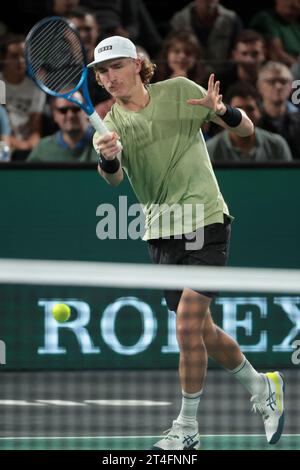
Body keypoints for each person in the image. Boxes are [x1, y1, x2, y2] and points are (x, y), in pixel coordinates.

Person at [90, 35, 285, 450]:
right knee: (203, 330)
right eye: (102, 72)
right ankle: (261, 385)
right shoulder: (107, 125)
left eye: (116, 67)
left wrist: (223, 111)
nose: (109, 78)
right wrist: (108, 155)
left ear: (138, 64)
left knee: (185, 326)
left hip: (206, 219)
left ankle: (188, 427)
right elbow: (113, 179)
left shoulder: (180, 90)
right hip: (160, 232)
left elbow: (247, 129)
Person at [207, 82, 293, 162]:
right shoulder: (210, 149)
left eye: (250, 109)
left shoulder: (277, 145)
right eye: (237, 110)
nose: (244, 114)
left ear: (260, 112)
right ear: (226, 113)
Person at [0, 34, 46, 160]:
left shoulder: (36, 89)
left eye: (24, 56)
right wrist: (12, 142)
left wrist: (31, 143)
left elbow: (36, 129)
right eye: (14, 56)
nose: (21, 61)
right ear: (3, 58)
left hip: (25, 145)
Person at [169, 0, 243, 74]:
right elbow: (169, 50)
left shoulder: (231, 19)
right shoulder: (180, 19)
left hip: (222, 74)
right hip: (189, 73)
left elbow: (237, 52)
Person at [27, 93, 98, 163]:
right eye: (63, 110)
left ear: (86, 112)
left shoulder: (103, 142)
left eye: (76, 109)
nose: (70, 115)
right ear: (54, 115)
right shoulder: (42, 148)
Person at [257, 61, 300, 159]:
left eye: (284, 82)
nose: (278, 86)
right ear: (259, 86)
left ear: (291, 87)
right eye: (272, 82)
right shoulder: (252, 120)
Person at [250, 0, 300, 67]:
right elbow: (277, 55)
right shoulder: (266, 18)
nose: (295, 4)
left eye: (298, 2)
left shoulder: (296, 27)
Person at [218, 30, 266, 96]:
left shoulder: (272, 80)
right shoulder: (219, 82)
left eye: (255, 54)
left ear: (264, 53)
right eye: (244, 54)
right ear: (234, 55)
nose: (249, 59)